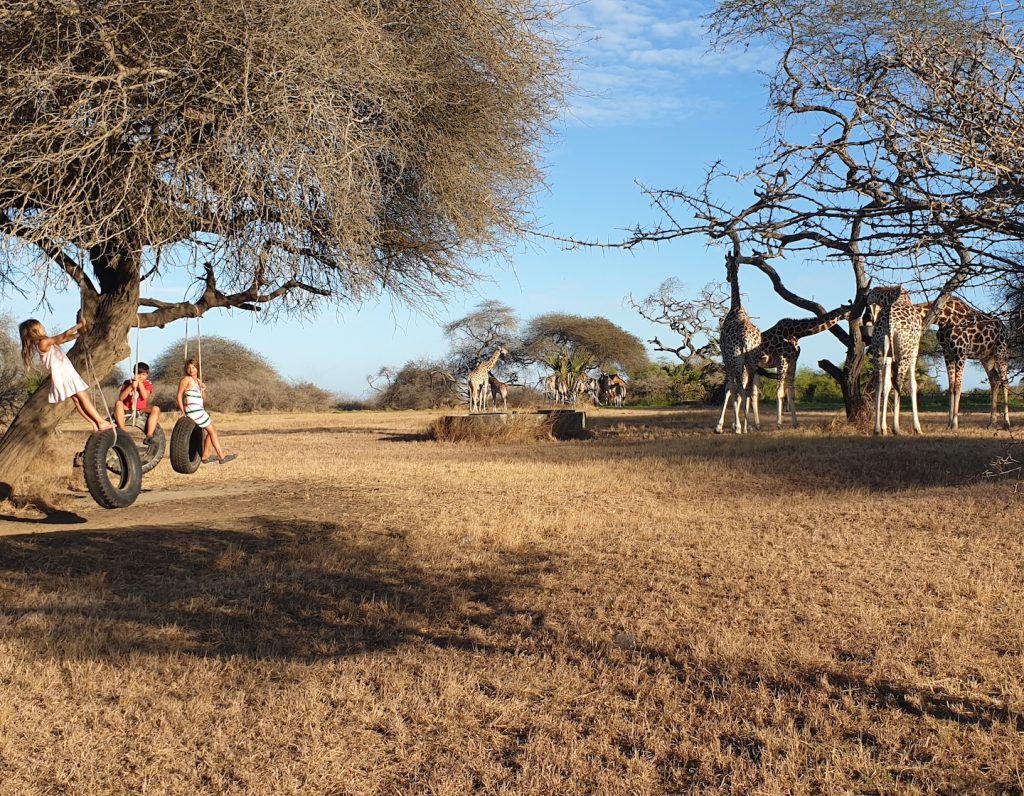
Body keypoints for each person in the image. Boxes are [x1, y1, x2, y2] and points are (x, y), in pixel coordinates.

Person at [19, 317, 112, 432]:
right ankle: (101, 421)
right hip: (64, 374)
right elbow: (63, 336)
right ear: (34, 331)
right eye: (40, 327)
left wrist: (79, 334)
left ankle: (94, 424)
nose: (43, 328)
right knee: (83, 397)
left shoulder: (44, 342)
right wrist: (79, 325)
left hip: (63, 373)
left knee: (77, 400)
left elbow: (64, 339)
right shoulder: (43, 343)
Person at [176, 358, 236, 465]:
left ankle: (205, 455)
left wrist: (202, 389)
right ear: (186, 369)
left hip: (200, 409)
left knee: (211, 431)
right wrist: (183, 411)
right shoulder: (186, 379)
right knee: (212, 432)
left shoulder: (198, 381)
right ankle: (221, 457)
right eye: (189, 368)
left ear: (197, 368)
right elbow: (179, 395)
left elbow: (203, 398)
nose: (191, 370)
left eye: (193, 367)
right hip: (194, 410)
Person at [115, 362, 161, 442]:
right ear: (134, 374)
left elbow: (144, 396)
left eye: (143, 374)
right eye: (139, 374)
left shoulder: (147, 383)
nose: (140, 376)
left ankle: (149, 435)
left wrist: (139, 383)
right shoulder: (127, 382)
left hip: (141, 409)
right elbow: (121, 398)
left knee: (156, 409)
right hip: (128, 407)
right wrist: (131, 386)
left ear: (147, 375)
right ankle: (122, 431)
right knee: (118, 403)